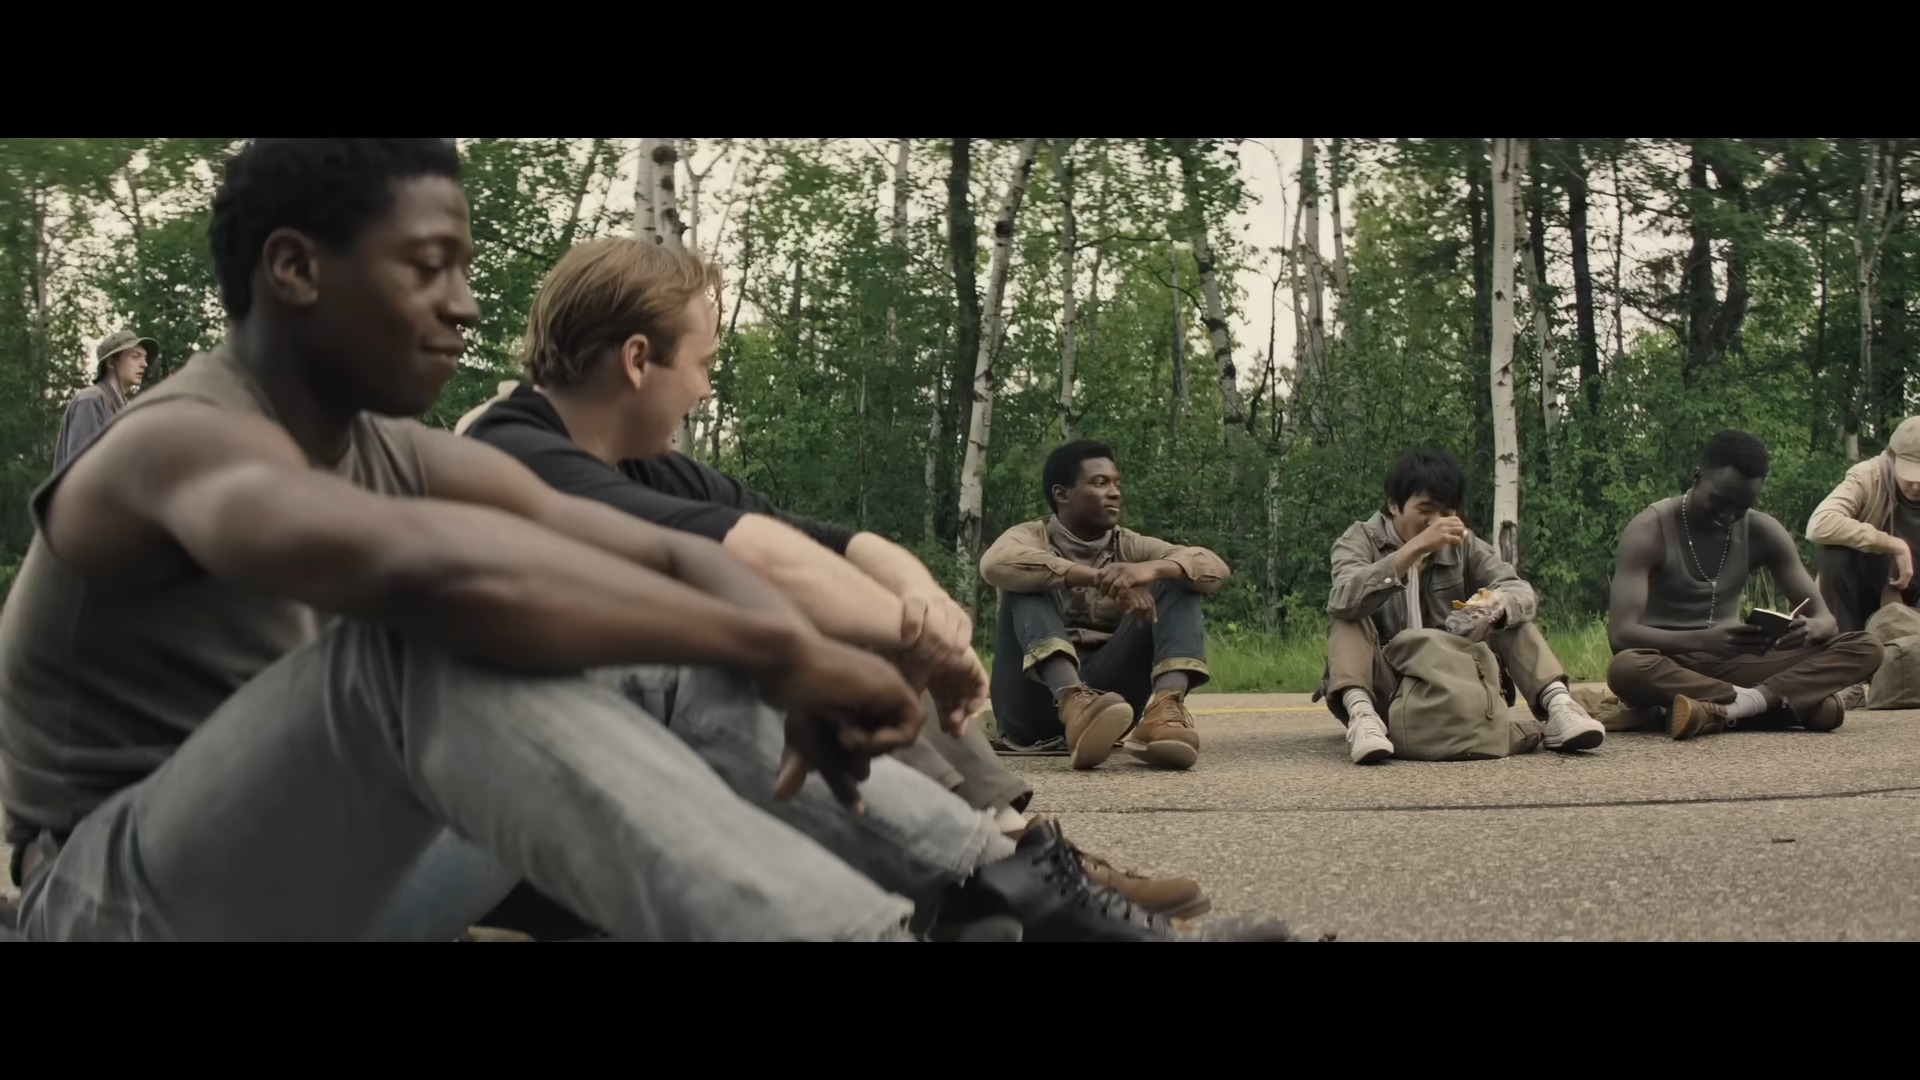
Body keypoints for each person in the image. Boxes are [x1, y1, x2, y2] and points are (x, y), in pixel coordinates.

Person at [0, 138, 1293, 943]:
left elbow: (668, 558)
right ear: (295, 270)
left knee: (653, 637)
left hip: (342, 875)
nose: (465, 307)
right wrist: (779, 650)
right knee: (422, 651)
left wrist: (785, 641)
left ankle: (1015, 905)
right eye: (428, 266)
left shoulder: (391, 447)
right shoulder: (177, 443)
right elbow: (423, 574)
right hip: (121, 902)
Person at [444, 237, 1210, 927]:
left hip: (599, 792)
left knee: (851, 623)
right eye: (702, 365)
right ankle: (1006, 872)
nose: (705, 390)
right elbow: (761, 558)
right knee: (796, 637)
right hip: (499, 829)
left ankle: (1012, 860)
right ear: (638, 360)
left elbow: (838, 543)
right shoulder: (510, 448)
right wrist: (913, 640)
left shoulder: (643, 463)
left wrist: (924, 604)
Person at [1319, 449, 1606, 765]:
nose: (1436, 522)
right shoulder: (1359, 539)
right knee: (1346, 616)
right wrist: (1413, 549)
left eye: (1446, 512)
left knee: (1506, 612)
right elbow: (1342, 596)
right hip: (1388, 687)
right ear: (1393, 505)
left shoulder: (1464, 545)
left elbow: (1519, 590)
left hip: (1456, 682)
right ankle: (1363, 718)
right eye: (1425, 510)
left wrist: (1492, 608)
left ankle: (1559, 706)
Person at [1605, 430, 1884, 740]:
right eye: (1721, 500)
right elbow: (1621, 635)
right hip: (1669, 661)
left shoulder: (1762, 530)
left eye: (1741, 506)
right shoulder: (1649, 530)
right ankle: (1772, 704)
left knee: (1865, 647)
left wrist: (1810, 628)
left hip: (1736, 661)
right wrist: (1704, 640)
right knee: (1625, 668)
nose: (1728, 515)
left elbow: (1826, 619)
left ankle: (1726, 708)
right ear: (1697, 477)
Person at [978, 440, 1223, 772]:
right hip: (1029, 706)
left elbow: (1213, 568)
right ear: (1062, 494)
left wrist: (1150, 570)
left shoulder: (1130, 545)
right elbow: (994, 563)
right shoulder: (1030, 537)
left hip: (1107, 708)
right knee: (1026, 578)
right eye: (1100, 483)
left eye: (1116, 483)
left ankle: (1165, 712)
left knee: (1179, 575)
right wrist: (1100, 578)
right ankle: (1072, 699)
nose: (1114, 492)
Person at [1805, 416, 1920, 706]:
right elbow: (1819, 524)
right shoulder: (1869, 476)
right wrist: (1893, 544)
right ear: (1892, 457)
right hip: (1868, 597)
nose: (1917, 483)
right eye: (1910, 472)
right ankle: (1849, 673)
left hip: (1914, 608)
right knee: (1837, 552)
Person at [52, 330, 155, 472]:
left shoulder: (124, 409)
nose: (144, 364)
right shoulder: (90, 401)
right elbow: (82, 470)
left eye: (145, 358)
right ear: (111, 362)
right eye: (135, 356)